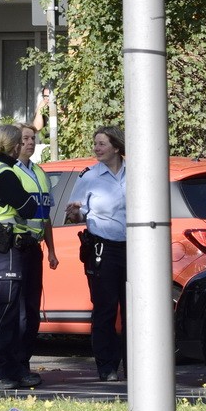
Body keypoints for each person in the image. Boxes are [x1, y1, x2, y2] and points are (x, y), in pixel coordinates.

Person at [0, 124, 42, 390]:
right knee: (3, 315)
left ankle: (6, 371)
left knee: (9, 314)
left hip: (1, 247)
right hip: (4, 248)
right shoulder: (4, 174)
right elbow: (29, 207)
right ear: (14, 146)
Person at [65, 126, 127, 381]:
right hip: (103, 248)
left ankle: (135, 365)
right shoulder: (89, 176)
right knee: (105, 308)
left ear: (116, 146)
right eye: (95, 143)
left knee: (135, 309)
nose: (97, 148)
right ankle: (107, 366)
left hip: (134, 249)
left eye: (102, 144)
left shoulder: (136, 172)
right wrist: (74, 213)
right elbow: (75, 214)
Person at [14, 123, 59, 379]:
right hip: (17, 247)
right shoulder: (12, 171)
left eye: (33, 138)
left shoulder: (40, 173)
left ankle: (25, 362)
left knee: (31, 310)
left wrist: (52, 249)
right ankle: (17, 364)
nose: (30, 142)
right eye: (25, 138)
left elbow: (46, 216)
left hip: (35, 249)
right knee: (19, 312)